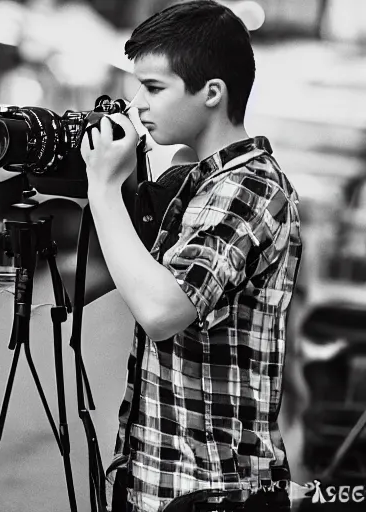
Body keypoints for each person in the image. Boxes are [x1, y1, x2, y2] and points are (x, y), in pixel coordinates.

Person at [80, 1, 302, 511]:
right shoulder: (197, 182)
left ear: (212, 94)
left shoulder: (248, 187)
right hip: (166, 483)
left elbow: (161, 311)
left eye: (155, 88)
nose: (137, 105)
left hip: (211, 491)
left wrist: (103, 187)